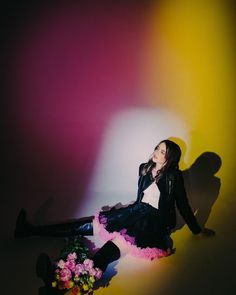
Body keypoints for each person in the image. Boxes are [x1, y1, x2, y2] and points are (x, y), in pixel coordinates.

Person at [14, 139, 214, 288]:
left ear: (170, 158)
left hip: (151, 223)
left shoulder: (174, 177)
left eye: (163, 151)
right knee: (86, 224)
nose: (157, 153)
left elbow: (184, 205)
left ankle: (56, 280)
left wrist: (197, 230)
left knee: (105, 254)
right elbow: (141, 198)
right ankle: (28, 230)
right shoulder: (144, 168)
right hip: (136, 211)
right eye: (157, 148)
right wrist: (129, 211)